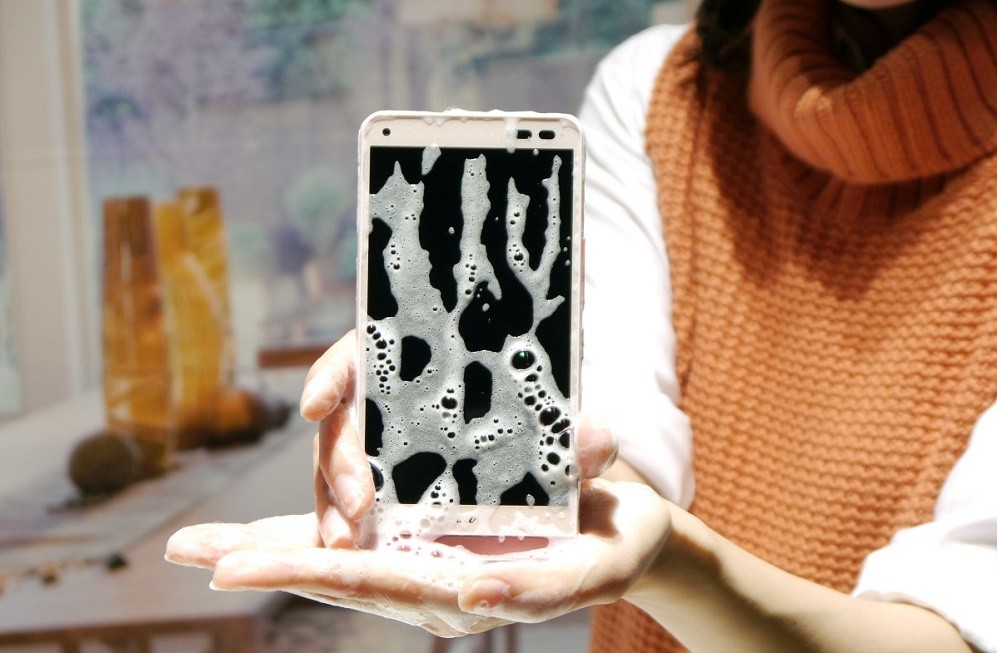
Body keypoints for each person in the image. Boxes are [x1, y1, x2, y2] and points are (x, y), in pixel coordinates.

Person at [166, 0, 997, 650]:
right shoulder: (658, 89)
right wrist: (520, 454)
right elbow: (617, 453)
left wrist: (675, 565)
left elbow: (960, 625)